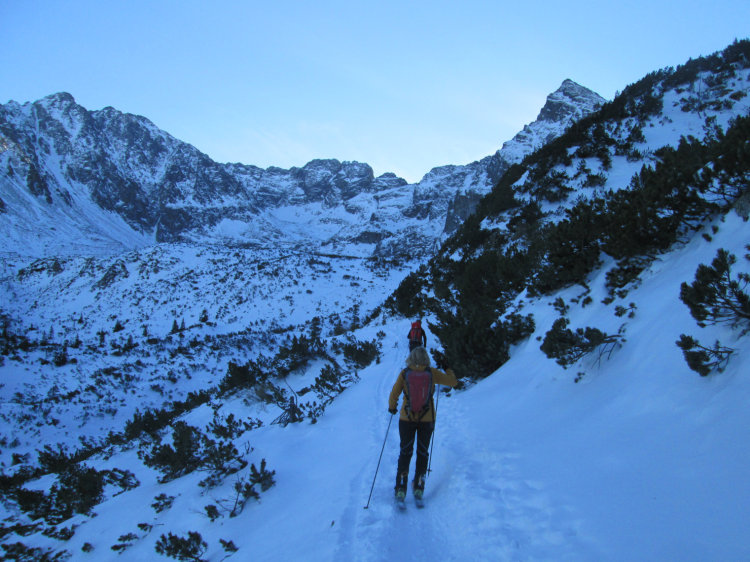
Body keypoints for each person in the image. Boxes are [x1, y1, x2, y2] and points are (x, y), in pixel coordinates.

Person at [388, 346, 457, 500]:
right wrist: (447, 368)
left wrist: (392, 407)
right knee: (423, 452)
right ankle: (419, 486)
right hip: (427, 419)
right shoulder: (432, 373)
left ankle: (401, 487)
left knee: (405, 452)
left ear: (411, 358)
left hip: (406, 419)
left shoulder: (404, 373)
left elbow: (394, 393)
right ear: (426, 358)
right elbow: (453, 382)